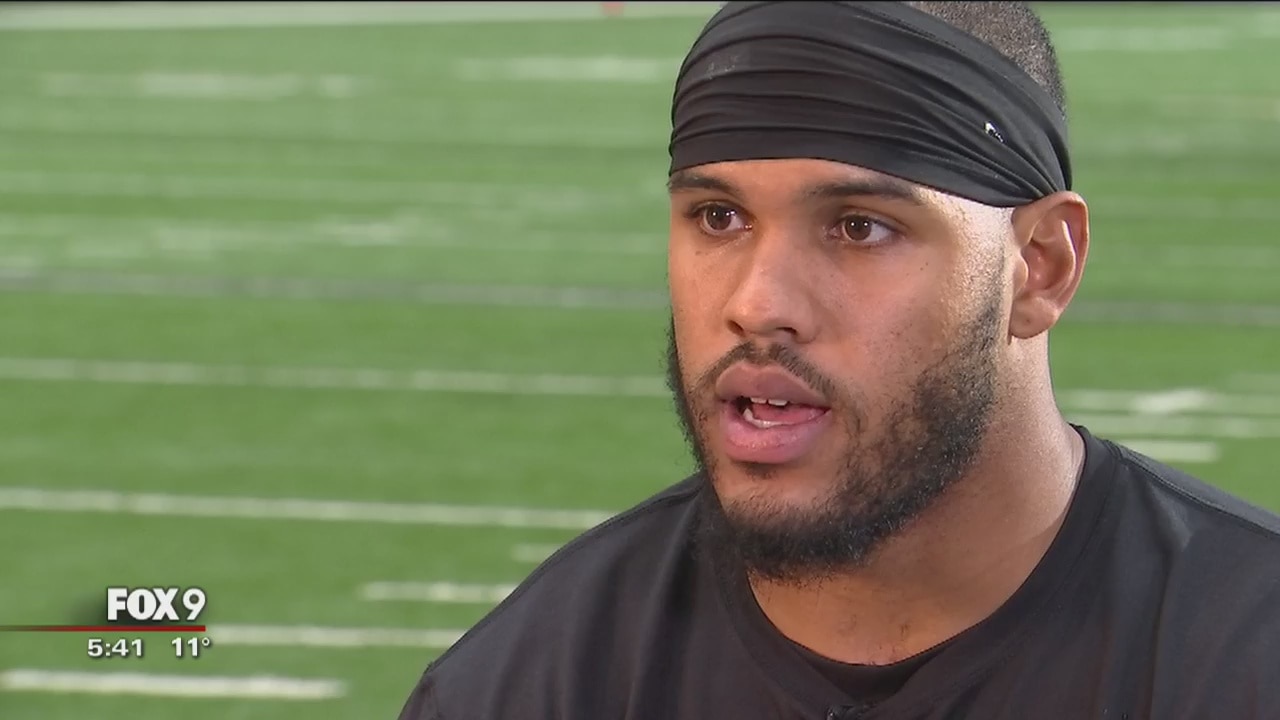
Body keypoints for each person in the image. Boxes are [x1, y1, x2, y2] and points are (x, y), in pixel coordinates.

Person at [397, 2, 1280, 718]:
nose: (758, 304)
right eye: (718, 218)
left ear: (1039, 266)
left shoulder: (1244, 659)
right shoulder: (530, 683)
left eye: (860, 227)